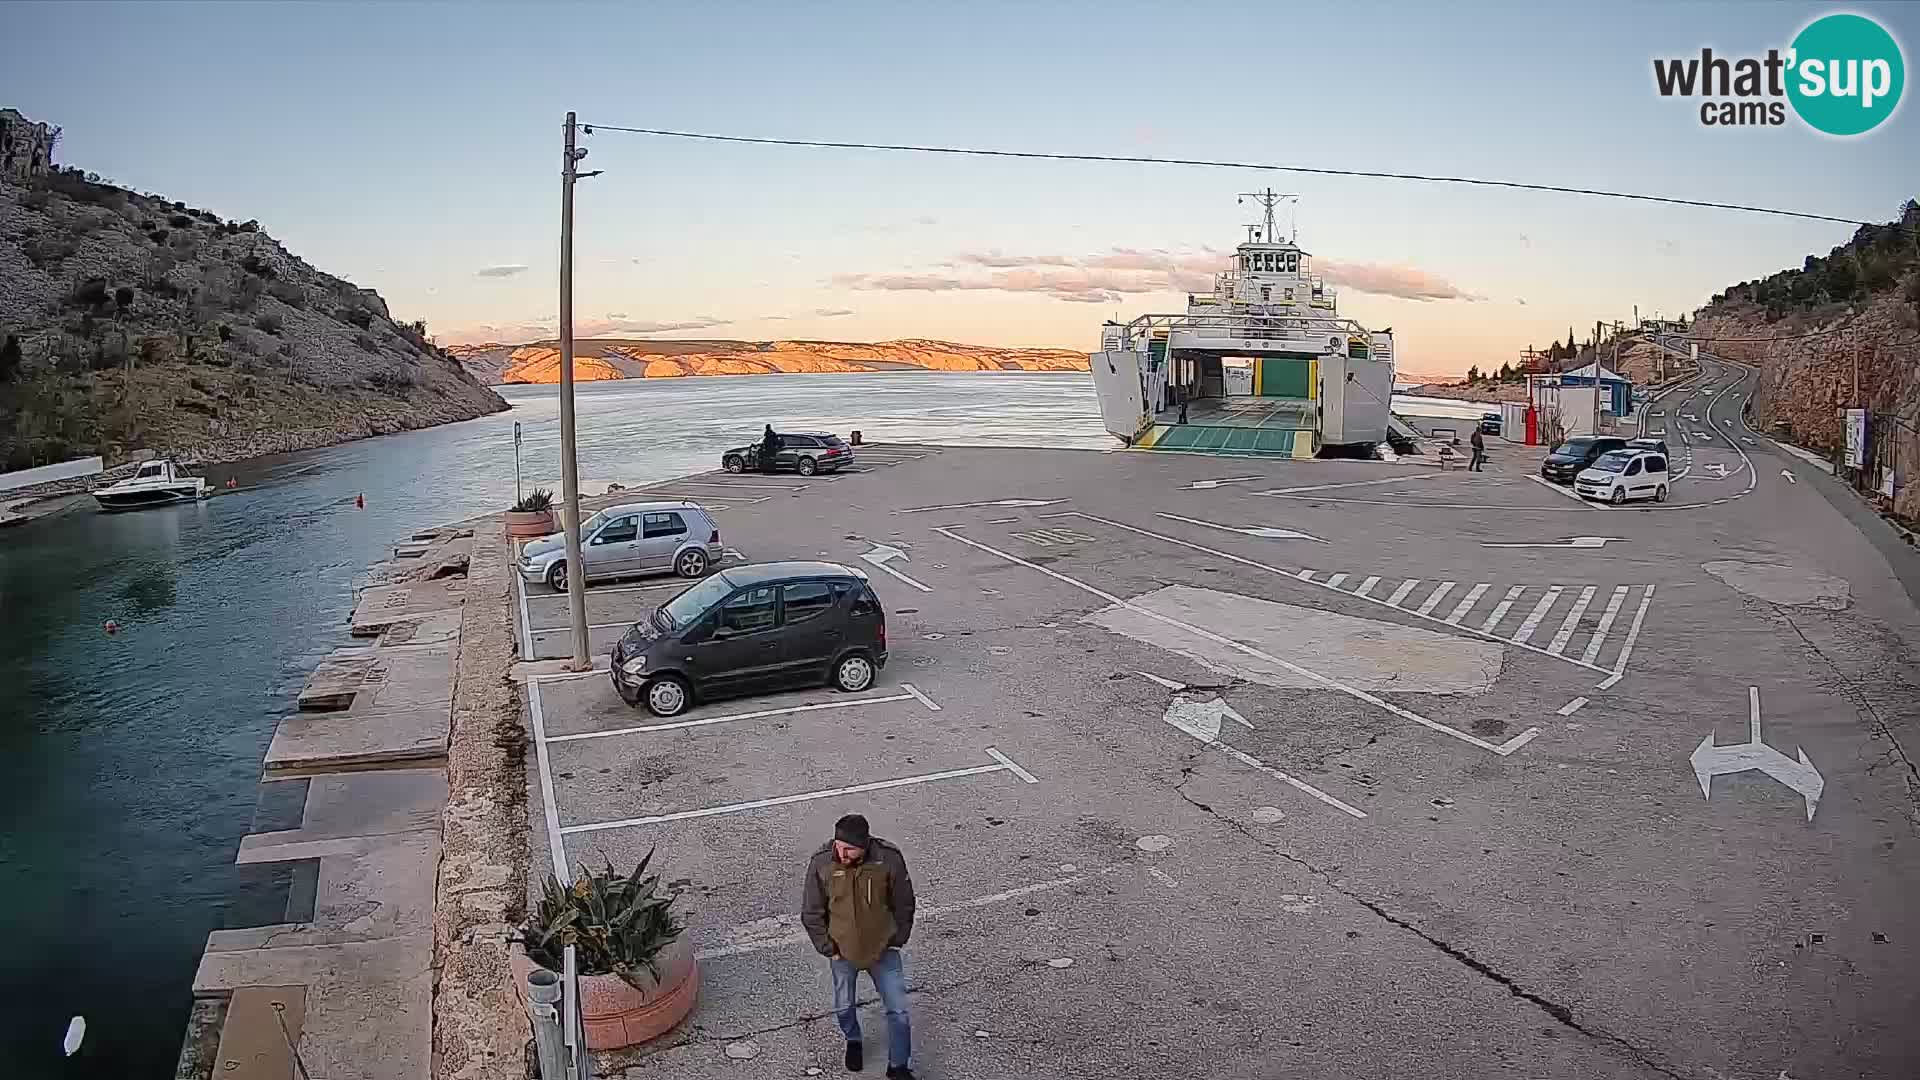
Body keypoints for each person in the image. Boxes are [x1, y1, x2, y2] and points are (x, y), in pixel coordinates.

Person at [801, 814, 917, 1078]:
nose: (841, 853)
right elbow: (811, 911)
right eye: (839, 846)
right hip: (842, 952)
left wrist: (896, 940)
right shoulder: (822, 862)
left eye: (849, 849)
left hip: (882, 949)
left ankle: (898, 1066)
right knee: (844, 1007)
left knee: (899, 1012)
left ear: (864, 846)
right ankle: (853, 1040)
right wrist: (829, 948)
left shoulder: (888, 859)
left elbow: (904, 902)